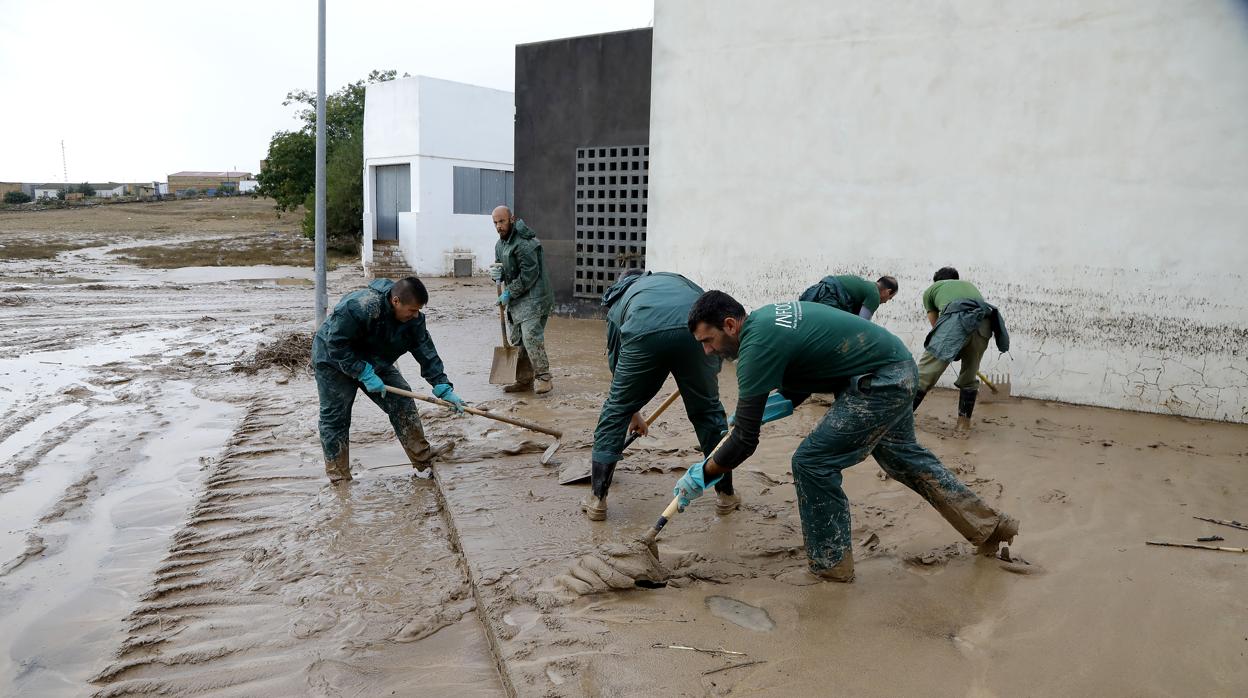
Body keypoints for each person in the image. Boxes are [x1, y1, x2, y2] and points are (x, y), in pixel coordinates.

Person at [675, 291, 1018, 582]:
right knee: (904, 459)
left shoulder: (757, 344)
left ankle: (831, 566)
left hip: (878, 381)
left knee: (812, 462)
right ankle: (990, 527)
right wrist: (765, 409)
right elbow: (802, 378)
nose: (707, 351)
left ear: (730, 326)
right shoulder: (765, 321)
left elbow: (745, 441)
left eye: (708, 340)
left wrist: (703, 475)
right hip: (895, 368)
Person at [582, 271, 736, 521]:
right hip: (695, 332)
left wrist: (630, 411)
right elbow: (709, 316)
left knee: (615, 409)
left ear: (622, 283)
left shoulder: (621, 299)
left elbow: (616, 364)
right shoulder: (677, 280)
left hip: (644, 332)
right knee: (708, 411)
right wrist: (706, 374)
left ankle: (598, 499)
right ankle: (726, 495)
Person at [312, 277, 466, 484]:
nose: (415, 315)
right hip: (333, 361)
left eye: (418, 310)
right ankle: (339, 477)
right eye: (411, 310)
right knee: (335, 418)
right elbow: (336, 344)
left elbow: (425, 350)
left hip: (376, 361)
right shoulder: (360, 306)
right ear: (395, 301)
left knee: (402, 403)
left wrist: (442, 385)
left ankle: (422, 459)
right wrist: (362, 373)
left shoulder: (414, 320)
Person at [913, 267, 1009, 430]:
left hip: (956, 323)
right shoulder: (969, 286)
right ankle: (963, 425)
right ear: (956, 278)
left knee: (924, 374)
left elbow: (936, 325)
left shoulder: (931, 290)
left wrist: (951, 345)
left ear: (936, 281)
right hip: (984, 325)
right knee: (969, 375)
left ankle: (899, 421)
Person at [490, 206, 555, 394]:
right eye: (495, 223)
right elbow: (501, 269)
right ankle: (524, 381)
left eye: (501, 221)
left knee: (530, 336)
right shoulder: (500, 245)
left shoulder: (525, 243)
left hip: (536, 296)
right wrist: (496, 275)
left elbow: (530, 274)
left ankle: (544, 377)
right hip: (518, 297)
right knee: (518, 339)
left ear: (512, 219)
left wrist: (509, 292)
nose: (498, 226)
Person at [798, 274, 898, 321]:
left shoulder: (866, 285)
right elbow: (862, 323)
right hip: (831, 296)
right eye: (890, 298)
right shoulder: (874, 295)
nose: (886, 302)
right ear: (887, 291)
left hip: (820, 290)